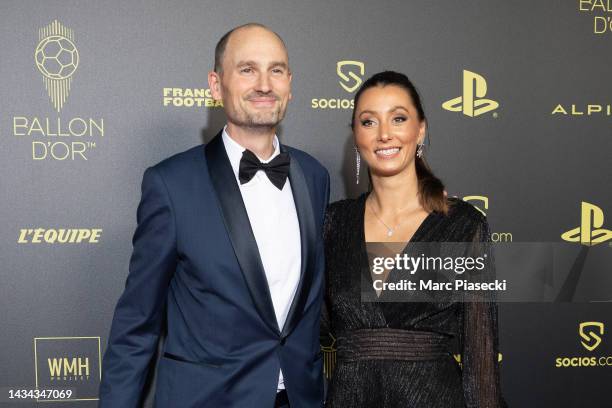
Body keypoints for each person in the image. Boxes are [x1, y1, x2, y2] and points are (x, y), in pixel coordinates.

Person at [99, 23, 329, 408]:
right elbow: (137, 326)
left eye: (275, 70)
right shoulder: (171, 185)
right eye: (246, 69)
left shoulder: (314, 176)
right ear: (215, 84)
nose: (264, 84)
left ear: (289, 83)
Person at [322, 71, 506, 407]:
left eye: (398, 118)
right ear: (355, 136)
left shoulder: (460, 226)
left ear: (420, 129)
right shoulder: (333, 223)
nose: (384, 134)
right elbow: (309, 326)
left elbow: (480, 356)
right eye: (368, 122)